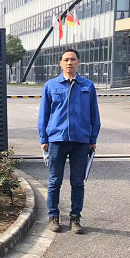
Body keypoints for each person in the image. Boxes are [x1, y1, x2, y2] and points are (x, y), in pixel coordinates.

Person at [38, 49, 101, 233]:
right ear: (60, 63)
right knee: (54, 181)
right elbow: (44, 114)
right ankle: (53, 217)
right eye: (66, 59)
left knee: (78, 182)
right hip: (57, 140)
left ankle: (75, 218)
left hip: (81, 141)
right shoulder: (51, 86)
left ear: (78, 62)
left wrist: (92, 138)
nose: (69, 62)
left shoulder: (87, 86)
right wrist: (44, 138)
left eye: (73, 59)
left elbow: (94, 114)